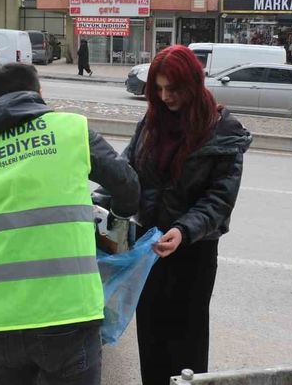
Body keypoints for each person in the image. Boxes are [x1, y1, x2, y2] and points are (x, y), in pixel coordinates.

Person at [0, 63, 139, 385]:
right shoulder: (70, 130)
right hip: (66, 312)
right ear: (38, 92)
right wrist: (117, 220)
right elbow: (127, 185)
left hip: (1, 319)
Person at [102, 45, 251, 385]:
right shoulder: (151, 123)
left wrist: (184, 230)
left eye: (173, 89)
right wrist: (97, 202)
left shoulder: (223, 130)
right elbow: (126, 172)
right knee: (151, 335)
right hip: (148, 247)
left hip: (193, 251)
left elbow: (219, 199)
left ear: (193, 84)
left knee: (187, 341)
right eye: (158, 89)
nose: (165, 97)